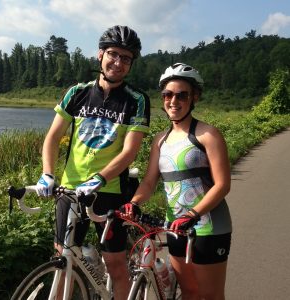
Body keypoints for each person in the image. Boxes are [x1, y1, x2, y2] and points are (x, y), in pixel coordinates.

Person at [36, 25, 150, 300]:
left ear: (131, 64)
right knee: (62, 258)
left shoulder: (136, 101)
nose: (118, 62)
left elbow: (129, 151)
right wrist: (48, 174)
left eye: (126, 58)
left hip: (109, 193)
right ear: (100, 55)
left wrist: (99, 178)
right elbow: (52, 137)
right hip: (70, 191)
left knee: (115, 264)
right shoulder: (77, 92)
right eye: (113, 54)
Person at [123, 63, 232, 299]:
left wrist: (192, 214)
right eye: (168, 95)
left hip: (208, 227)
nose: (173, 100)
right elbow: (150, 181)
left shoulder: (207, 135)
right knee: (190, 292)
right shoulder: (160, 140)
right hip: (174, 226)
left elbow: (223, 185)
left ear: (195, 97)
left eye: (181, 95)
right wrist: (135, 202)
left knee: (209, 295)